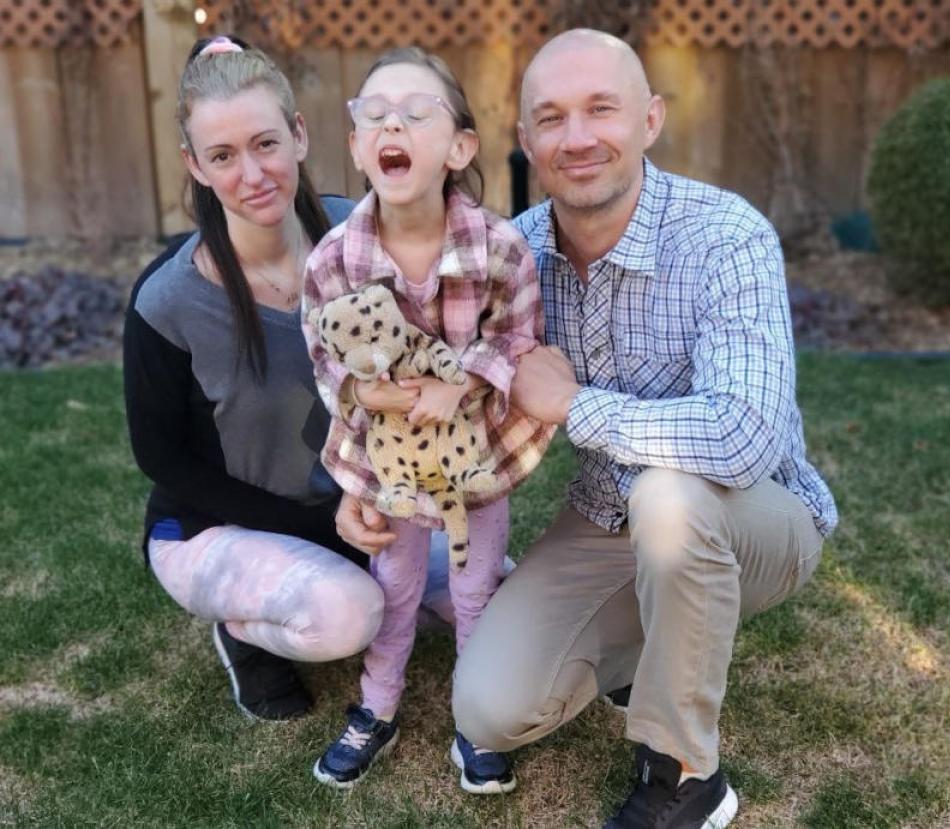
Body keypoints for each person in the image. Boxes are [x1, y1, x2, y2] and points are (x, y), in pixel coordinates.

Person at [338, 29, 838, 828]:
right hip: (607, 513)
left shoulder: (726, 236)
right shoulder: (514, 253)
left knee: (671, 502)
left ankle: (685, 775)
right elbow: (434, 383)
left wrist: (575, 406)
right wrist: (370, 486)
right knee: (490, 708)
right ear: (525, 140)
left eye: (600, 109)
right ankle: (654, 637)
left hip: (756, 515)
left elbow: (746, 437)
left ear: (649, 119)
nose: (577, 138)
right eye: (552, 117)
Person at [123, 35, 448, 725]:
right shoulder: (167, 300)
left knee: (485, 586)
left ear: (299, 135)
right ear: (196, 166)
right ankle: (243, 631)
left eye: (265, 142)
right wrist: (319, 525)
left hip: (363, 506)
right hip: (215, 525)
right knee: (348, 614)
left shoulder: (359, 235)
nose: (252, 173)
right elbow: (162, 459)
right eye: (223, 155)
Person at [301, 47, 554, 795]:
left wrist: (466, 379)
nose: (393, 125)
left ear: (460, 147)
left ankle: (475, 716)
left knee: (475, 586)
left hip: (475, 457)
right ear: (356, 147)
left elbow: (518, 340)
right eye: (374, 114)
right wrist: (357, 392)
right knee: (397, 581)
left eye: (417, 113)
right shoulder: (332, 262)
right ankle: (378, 705)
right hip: (392, 461)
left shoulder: (501, 249)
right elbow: (324, 356)